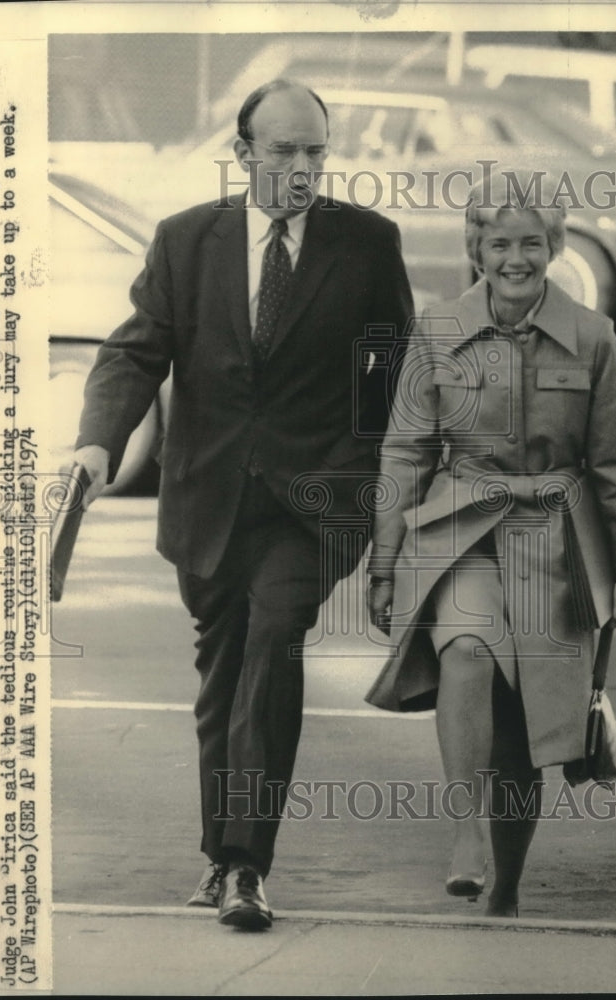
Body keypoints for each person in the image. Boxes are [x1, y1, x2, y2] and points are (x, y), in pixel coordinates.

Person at [71, 79, 413, 930]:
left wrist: (370, 482)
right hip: (208, 497)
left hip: (316, 501)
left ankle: (247, 866)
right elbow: (132, 353)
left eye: (317, 153)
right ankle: (218, 855)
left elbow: (399, 374)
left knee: (272, 646)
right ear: (245, 153)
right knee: (221, 675)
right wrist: (97, 441)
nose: (303, 170)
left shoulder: (367, 244)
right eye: (286, 151)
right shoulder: (187, 242)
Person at [365, 175, 616, 918]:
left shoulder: (595, 339)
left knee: (522, 737)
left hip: (556, 543)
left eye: (531, 242)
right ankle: (466, 835)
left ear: (555, 247)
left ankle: (509, 887)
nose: (515, 258)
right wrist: (385, 561)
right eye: (498, 242)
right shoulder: (436, 333)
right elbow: (403, 452)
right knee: (465, 652)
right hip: (460, 527)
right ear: (475, 250)